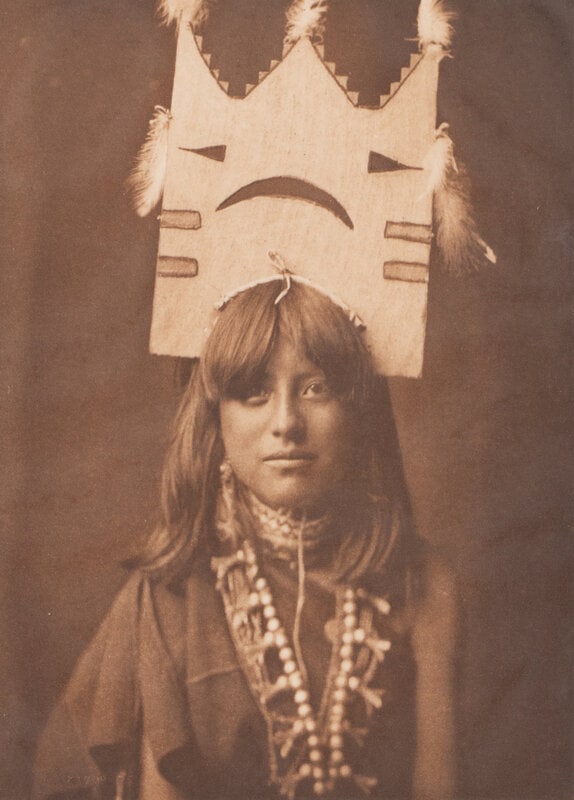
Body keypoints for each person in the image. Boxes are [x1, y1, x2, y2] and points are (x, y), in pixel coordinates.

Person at [33, 279, 458, 800]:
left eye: (316, 388)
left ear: (360, 410)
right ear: (216, 419)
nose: (286, 423)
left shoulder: (425, 585)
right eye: (254, 392)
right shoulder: (170, 594)